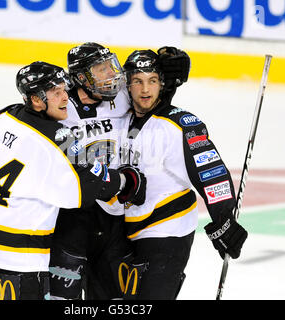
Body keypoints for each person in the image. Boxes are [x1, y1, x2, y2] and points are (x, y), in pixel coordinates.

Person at [0, 61, 146, 300]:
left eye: (65, 90)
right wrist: (126, 181)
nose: (66, 98)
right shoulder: (59, 138)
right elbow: (90, 185)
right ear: (36, 99)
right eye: (57, 93)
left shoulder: (8, 115)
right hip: (17, 253)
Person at [48, 43, 190, 300]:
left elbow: (151, 98)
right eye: (101, 70)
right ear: (81, 77)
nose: (111, 75)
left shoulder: (121, 95)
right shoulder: (59, 104)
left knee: (115, 298)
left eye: (109, 67)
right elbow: (19, 115)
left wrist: (173, 80)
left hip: (114, 217)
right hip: (73, 218)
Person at [117, 49, 248, 299]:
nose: (145, 90)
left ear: (162, 83)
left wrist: (224, 219)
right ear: (128, 84)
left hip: (167, 234)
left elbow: (210, 171)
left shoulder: (180, 125)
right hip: (128, 233)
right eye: (138, 81)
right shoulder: (124, 119)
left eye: (152, 81)